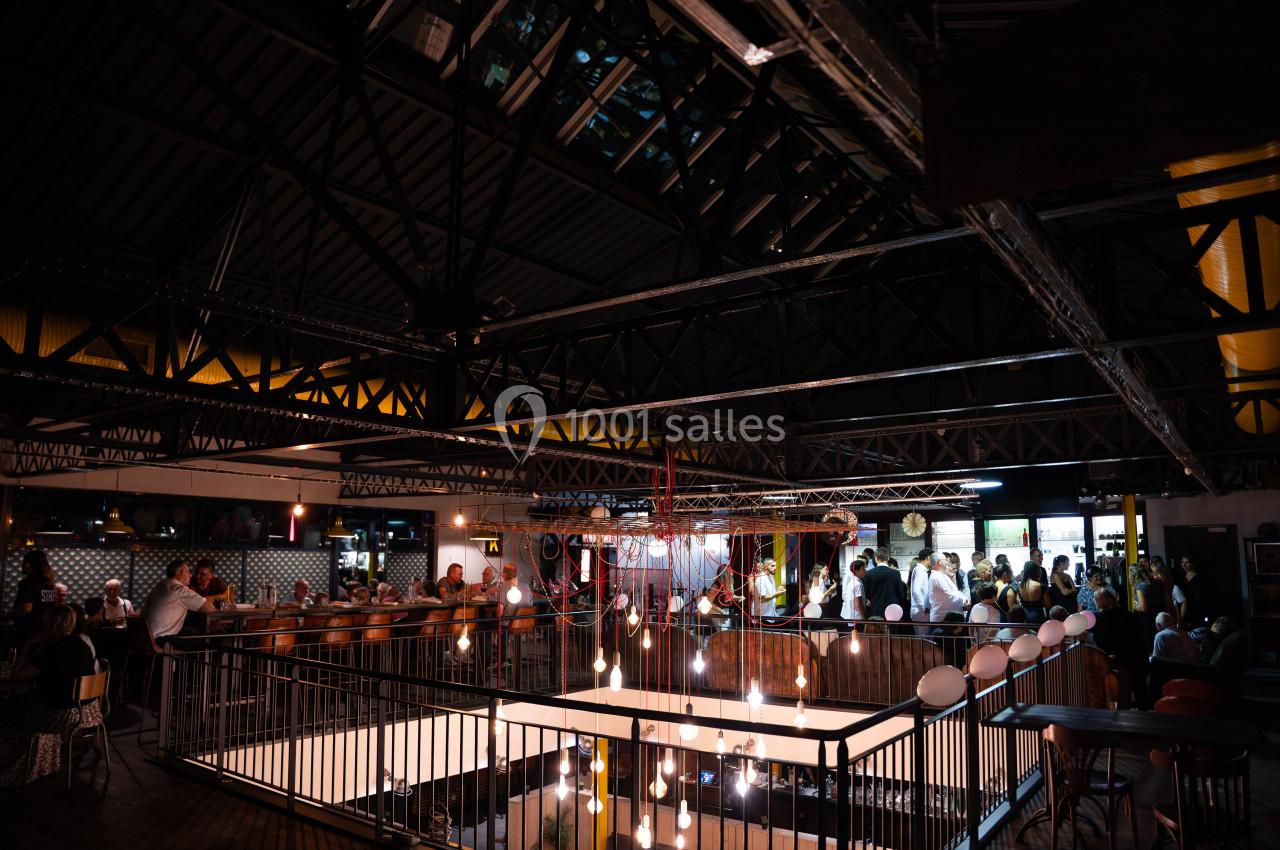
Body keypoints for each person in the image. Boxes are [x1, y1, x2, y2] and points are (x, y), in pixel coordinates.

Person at [0, 605, 99, 787]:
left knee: (12, 712)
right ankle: (45, 762)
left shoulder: (53, 650)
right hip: (88, 711)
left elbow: (17, 676)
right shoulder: (82, 644)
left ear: (50, 624)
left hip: (59, 716)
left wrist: (27, 645)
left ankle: (17, 766)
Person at [1091, 588, 1148, 705]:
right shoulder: (1130, 615)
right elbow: (1140, 636)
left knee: (1121, 697)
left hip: (1115, 661)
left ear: (1098, 603)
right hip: (1136, 657)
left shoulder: (1097, 619)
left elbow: (1099, 642)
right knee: (1141, 693)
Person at [143, 559, 213, 639]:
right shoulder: (178, 589)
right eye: (188, 571)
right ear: (178, 573)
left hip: (145, 639)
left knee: (191, 631)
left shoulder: (161, 585)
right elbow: (209, 608)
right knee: (202, 637)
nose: (191, 575)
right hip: (163, 641)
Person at [9, 550, 58, 642]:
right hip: (46, 631)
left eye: (23, 562)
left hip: (29, 632)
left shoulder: (28, 582)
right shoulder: (50, 584)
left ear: (27, 564)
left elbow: (26, 607)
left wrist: (7, 616)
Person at [863, 548, 907, 620]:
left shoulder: (869, 574)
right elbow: (901, 594)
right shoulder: (895, 573)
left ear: (876, 558)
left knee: (876, 630)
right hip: (892, 610)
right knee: (892, 630)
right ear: (888, 558)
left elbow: (866, 594)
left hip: (875, 609)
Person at [1134, 562, 1169, 646]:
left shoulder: (1141, 586)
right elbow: (1167, 600)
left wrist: (1135, 606)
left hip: (1148, 619)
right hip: (1161, 615)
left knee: (1151, 644)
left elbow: (1143, 607)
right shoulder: (1158, 582)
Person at [927, 553, 967, 623]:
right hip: (942, 619)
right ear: (939, 562)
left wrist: (964, 600)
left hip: (950, 618)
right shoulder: (936, 577)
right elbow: (950, 596)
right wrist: (964, 602)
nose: (947, 563)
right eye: (945, 560)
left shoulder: (942, 576)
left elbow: (956, 592)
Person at [1175, 556, 1205, 631]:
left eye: (1187, 562)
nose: (1184, 565)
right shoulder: (1180, 577)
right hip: (1182, 609)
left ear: (1193, 564)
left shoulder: (1199, 578)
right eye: (1182, 562)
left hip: (1195, 610)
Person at [1018, 560, 1049, 626]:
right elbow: (1048, 603)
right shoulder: (1040, 586)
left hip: (1025, 615)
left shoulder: (1020, 586)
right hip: (1038, 615)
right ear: (1035, 571)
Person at [908, 557, 932, 634]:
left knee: (922, 638)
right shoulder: (920, 570)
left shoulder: (921, 570)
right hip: (920, 611)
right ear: (928, 558)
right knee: (923, 639)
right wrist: (923, 607)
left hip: (920, 610)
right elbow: (916, 591)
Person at [842, 558, 867, 622]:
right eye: (863, 569)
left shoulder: (854, 581)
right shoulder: (857, 583)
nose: (865, 570)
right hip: (858, 616)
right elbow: (859, 604)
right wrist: (865, 618)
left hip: (853, 615)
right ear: (856, 571)